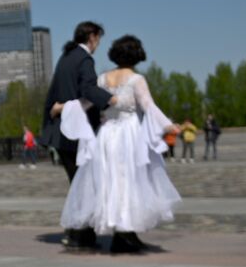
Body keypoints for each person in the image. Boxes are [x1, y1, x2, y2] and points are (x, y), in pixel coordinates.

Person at [58, 35, 180, 253]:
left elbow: (86, 103)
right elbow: (149, 106)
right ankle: (124, 233)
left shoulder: (103, 78)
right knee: (128, 180)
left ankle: (122, 232)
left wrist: (63, 108)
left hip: (106, 135)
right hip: (129, 134)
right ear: (137, 55)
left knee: (109, 180)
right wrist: (169, 126)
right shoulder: (136, 79)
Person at [41, 22, 116, 252]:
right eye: (98, 39)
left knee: (77, 185)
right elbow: (88, 89)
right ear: (92, 37)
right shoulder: (84, 60)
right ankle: (80, 236)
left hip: (62, 133)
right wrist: (113, 99)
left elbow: (52, 95)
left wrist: (51, 118)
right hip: (78, 135)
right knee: (85, 185)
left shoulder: (65, 58)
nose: (98, 45)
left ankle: (76, 233)